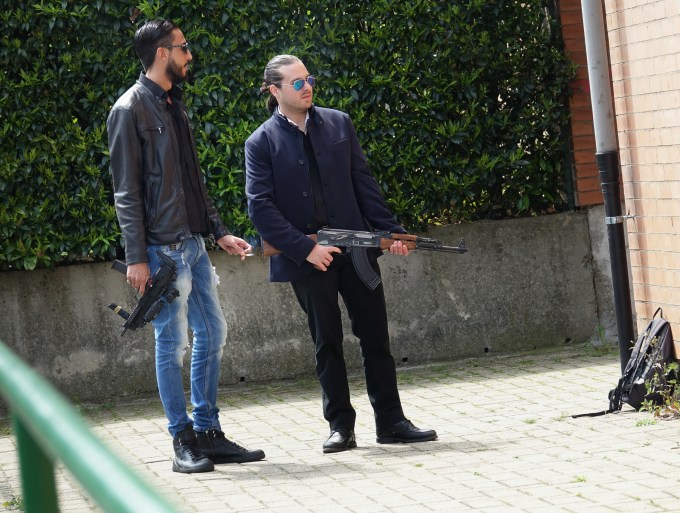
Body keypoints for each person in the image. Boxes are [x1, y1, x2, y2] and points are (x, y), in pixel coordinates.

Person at [244, 54, 437, 453]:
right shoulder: (260, 142)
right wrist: (305, 249)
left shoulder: (339, 122)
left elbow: (363, 184)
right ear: (274, 91)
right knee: (326, 341)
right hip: (307, 257)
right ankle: (341, 428)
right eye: (296, 83)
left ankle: (392, 422)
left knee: (375, 336)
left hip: (356, 250)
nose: (307, 86)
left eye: (308, 79)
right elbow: (260, 208)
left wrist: (391, 233)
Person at [107, 19, 264, 473]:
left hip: (193, 245)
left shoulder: (174, 104)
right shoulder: (129, 109)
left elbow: (192, 182)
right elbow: (126, 192)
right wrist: (136, 256)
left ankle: (208, 433)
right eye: (183, 48)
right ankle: (182, 440)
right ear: (162, 53)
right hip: (160, 252)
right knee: (170, 343)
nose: (189, 55)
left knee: (213, 332)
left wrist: (218, 232)